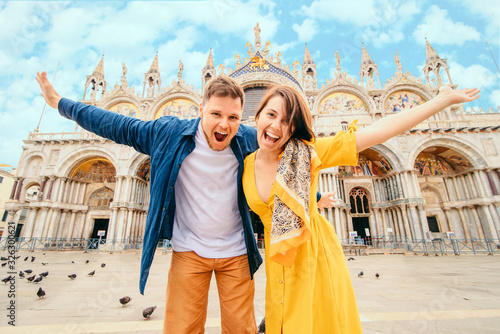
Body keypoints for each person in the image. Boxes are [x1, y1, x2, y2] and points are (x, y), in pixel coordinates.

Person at [36, 72, 261, 334]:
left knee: (241, 330)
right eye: (216, 114)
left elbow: (282, 175)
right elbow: (115, 124)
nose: (224, 125)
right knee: (181, 329)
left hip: (237, 253)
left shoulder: (249, 140)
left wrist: (316, 198)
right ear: (201, 110)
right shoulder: (168, 134)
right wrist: (60, 103)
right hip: (189, 252)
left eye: (233, 117)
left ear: (241, 117)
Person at [242, 84, 479, 333]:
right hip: (276, 259)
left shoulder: (307, 154)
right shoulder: (246, 164)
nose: (276, 126)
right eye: (271, 115)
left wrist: (441, 100)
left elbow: (378, 131)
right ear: (257, 116)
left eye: (287, 121)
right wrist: (318, 197)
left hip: (313, 253)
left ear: (295, 128)